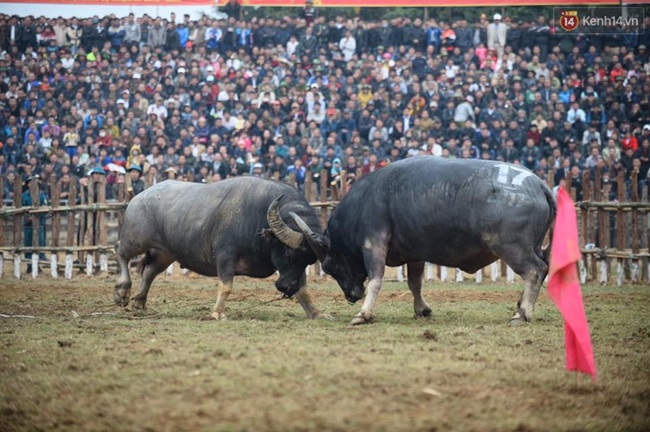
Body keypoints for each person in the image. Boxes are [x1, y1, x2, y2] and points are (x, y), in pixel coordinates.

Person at [22, 175, 48, 269]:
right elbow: (20, 208)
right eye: (31, 182)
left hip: (39, 224)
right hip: (28, 224)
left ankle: (38, 265)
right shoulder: (24, 195)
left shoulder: (41, 195)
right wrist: (27, 217)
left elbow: (45, 207)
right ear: (28, 184)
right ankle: (29, 265)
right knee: (28, 244)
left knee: (39, 244)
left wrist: (37, 216)